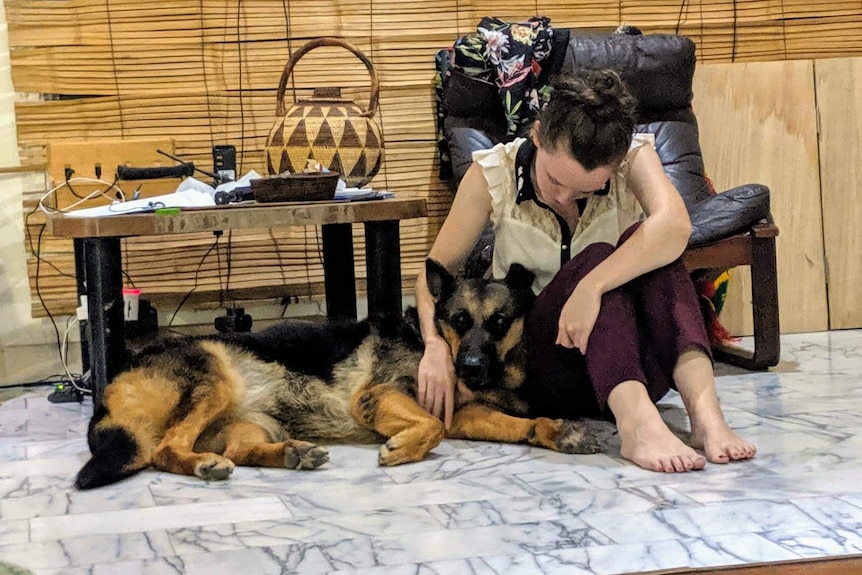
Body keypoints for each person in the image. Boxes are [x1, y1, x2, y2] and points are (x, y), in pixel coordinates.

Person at [414, 69, 756, 473]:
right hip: (543, 367)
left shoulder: (635, 156)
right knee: (598, 253)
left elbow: (677, 227)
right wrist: (435, 345)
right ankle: (638, 426)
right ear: (538, 136)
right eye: (555, 179)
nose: (563, 196)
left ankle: (706, 420)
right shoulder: (493, 172)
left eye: (585, 190)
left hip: (633, 362)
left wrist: (591, 287)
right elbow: (433, 273)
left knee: (650, 247)